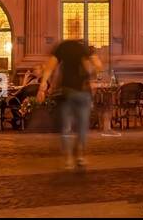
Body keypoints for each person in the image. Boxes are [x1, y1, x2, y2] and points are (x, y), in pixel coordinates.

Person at [38, 37, 98, 170]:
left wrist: (43, 84)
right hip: (83, 93)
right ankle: (80, 155)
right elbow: (96, 66)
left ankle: (68, 158)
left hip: (66, 92)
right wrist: (93, 79)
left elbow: (50, 67)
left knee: (65, 127)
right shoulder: (85, 47)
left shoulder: (62, 47)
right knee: (82, 126)